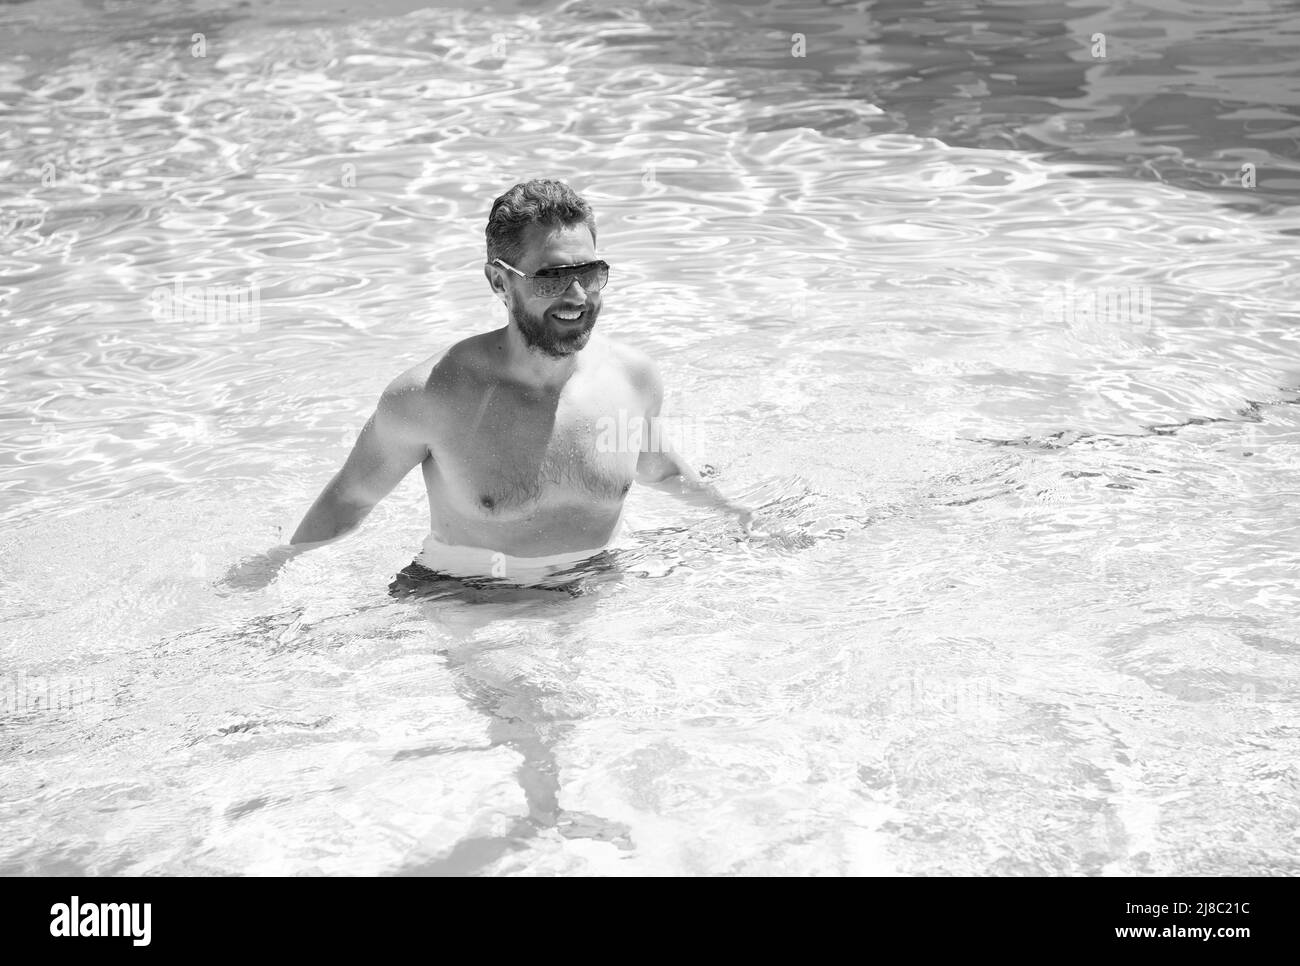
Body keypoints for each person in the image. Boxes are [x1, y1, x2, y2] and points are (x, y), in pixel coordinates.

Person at [232, 179, 752, 593]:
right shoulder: (430, 396)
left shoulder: (632, 378)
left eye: (590, 272)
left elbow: (653, 463)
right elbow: (351, 496)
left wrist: (737, 514)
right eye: (550, 278)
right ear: (499, 282)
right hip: (467, 596)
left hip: (593, 586)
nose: (576, 296)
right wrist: (274, 569)